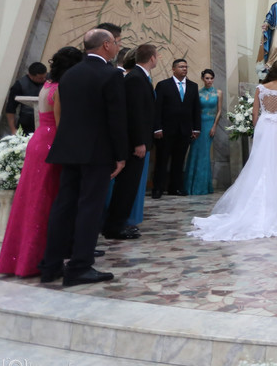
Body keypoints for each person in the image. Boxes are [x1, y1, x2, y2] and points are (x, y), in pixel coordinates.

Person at [38, 29, 127, 287]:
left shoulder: (69, 75)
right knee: (90, 208)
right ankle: (79, 266)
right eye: (115, 43)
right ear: (107, 45)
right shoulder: (111, 75)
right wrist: (121, 155)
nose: (117, 47)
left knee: (63, 207)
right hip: (97, 152)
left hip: (69, 150)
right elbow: (116, 119)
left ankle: (50, 265)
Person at [190, 60, 277, 241]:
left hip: (264, 126)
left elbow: (255, 113)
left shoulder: (261, 88)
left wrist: (258, 128)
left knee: (259, 161)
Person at [0, 47, 83, 277]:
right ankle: (38, 257)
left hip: (39, 141)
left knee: (32, 197)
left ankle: (20, 257)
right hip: (52, 142)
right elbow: (61, 123)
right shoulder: (60, 89)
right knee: (47, 199)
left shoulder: (47, 85)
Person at [102, 43, 157, 241]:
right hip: (135, 144)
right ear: (152, 58)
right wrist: (139, 142)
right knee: (126, 186)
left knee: (129, 186)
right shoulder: (135, 78)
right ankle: (115, 227)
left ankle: (118, 223)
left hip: (138, 141)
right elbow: (135, 113)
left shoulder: (139, 77)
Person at [152, 58, 201, 198]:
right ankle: (158, 188)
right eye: (181, 67)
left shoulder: (193, 86)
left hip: (184, 130)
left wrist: (196, 128)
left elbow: (196, 108)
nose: (184, 69)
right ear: (173, 69)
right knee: (162, 160)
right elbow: (157, 108)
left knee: (179, 161)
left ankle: (176, 187)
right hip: (166, 130)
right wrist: (157, 128)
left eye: (186, 67)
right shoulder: (163, 85)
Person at [182, 68, 221, 196]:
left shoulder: (218, 93)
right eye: (207, 78)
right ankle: (192, 186)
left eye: (211, 78)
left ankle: (204, 186)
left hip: (210, 123)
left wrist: (214, 126)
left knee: (204, 154)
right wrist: (194, 128)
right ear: (203, 79)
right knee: (195, 153)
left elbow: (219, 111)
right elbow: (194, 111)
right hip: (199, 124)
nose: (209, 80)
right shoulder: (198, 93)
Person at [4, 62, 47, 136]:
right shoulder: (19, 85)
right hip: (26, 123)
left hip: (45, 121)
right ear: (30, 76)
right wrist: (13, 130)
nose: (44, 79)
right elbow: (10, 109)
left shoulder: (49, 81)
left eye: (44, 77)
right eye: (40, 78)